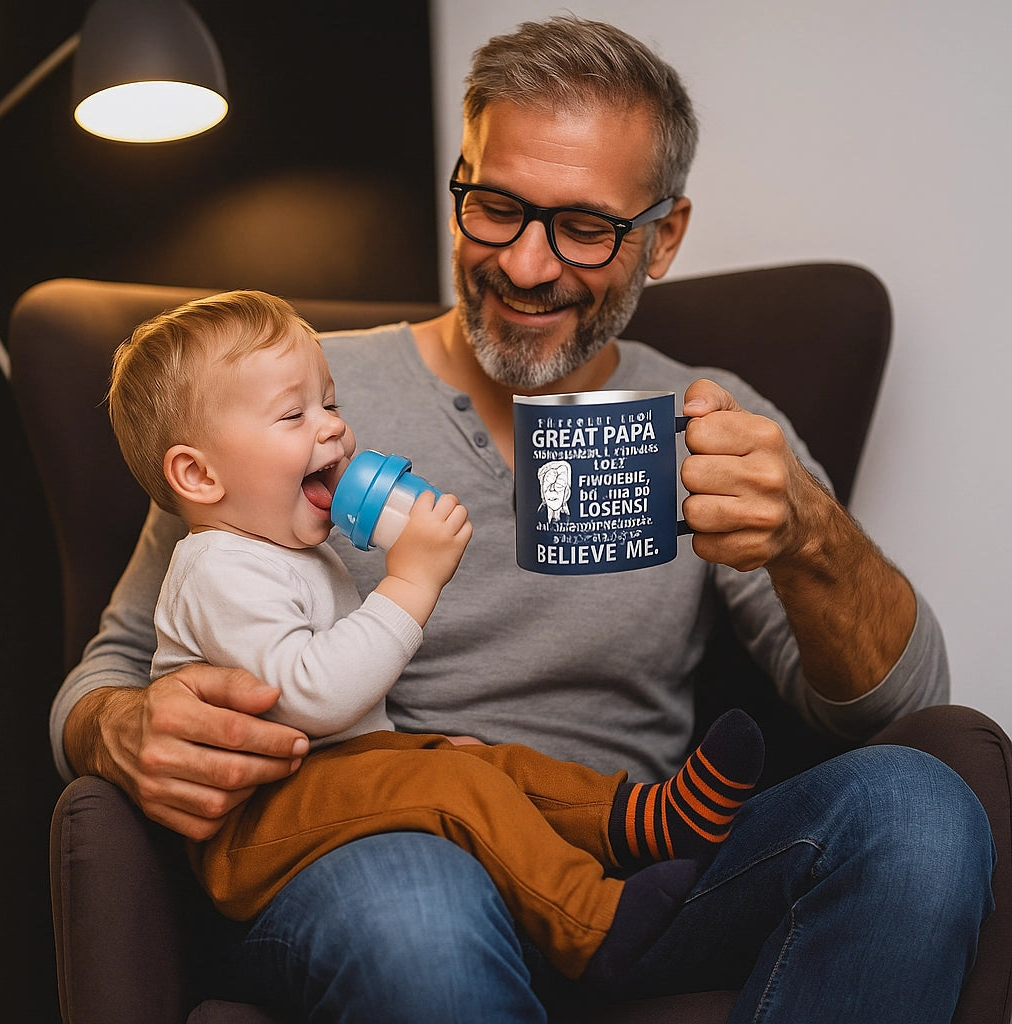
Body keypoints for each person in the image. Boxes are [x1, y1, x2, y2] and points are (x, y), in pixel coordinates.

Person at [51, 15, 994, 1023]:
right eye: (497, 208)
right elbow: (109, 672)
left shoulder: (707, 421)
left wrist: (810, 534)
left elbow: (892, 704)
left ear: (664, 236)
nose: (530, 265)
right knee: (419, 913)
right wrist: (121, 727)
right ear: (459, 184)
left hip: (637, 877)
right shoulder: (281, 402)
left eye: (584, 227)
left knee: (918, 808)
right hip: (375, 862)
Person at [106, 287, 766, 989]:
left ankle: (645, 818)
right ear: (199, 475)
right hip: (261, 823)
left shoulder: (283, 545)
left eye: (330, 404)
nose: (333, 428)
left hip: (336, 777)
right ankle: (592, 921)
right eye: (294, 415)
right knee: (453, 782)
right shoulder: (218, 570)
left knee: (486, 763)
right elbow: (309, 698)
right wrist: (411, 582)